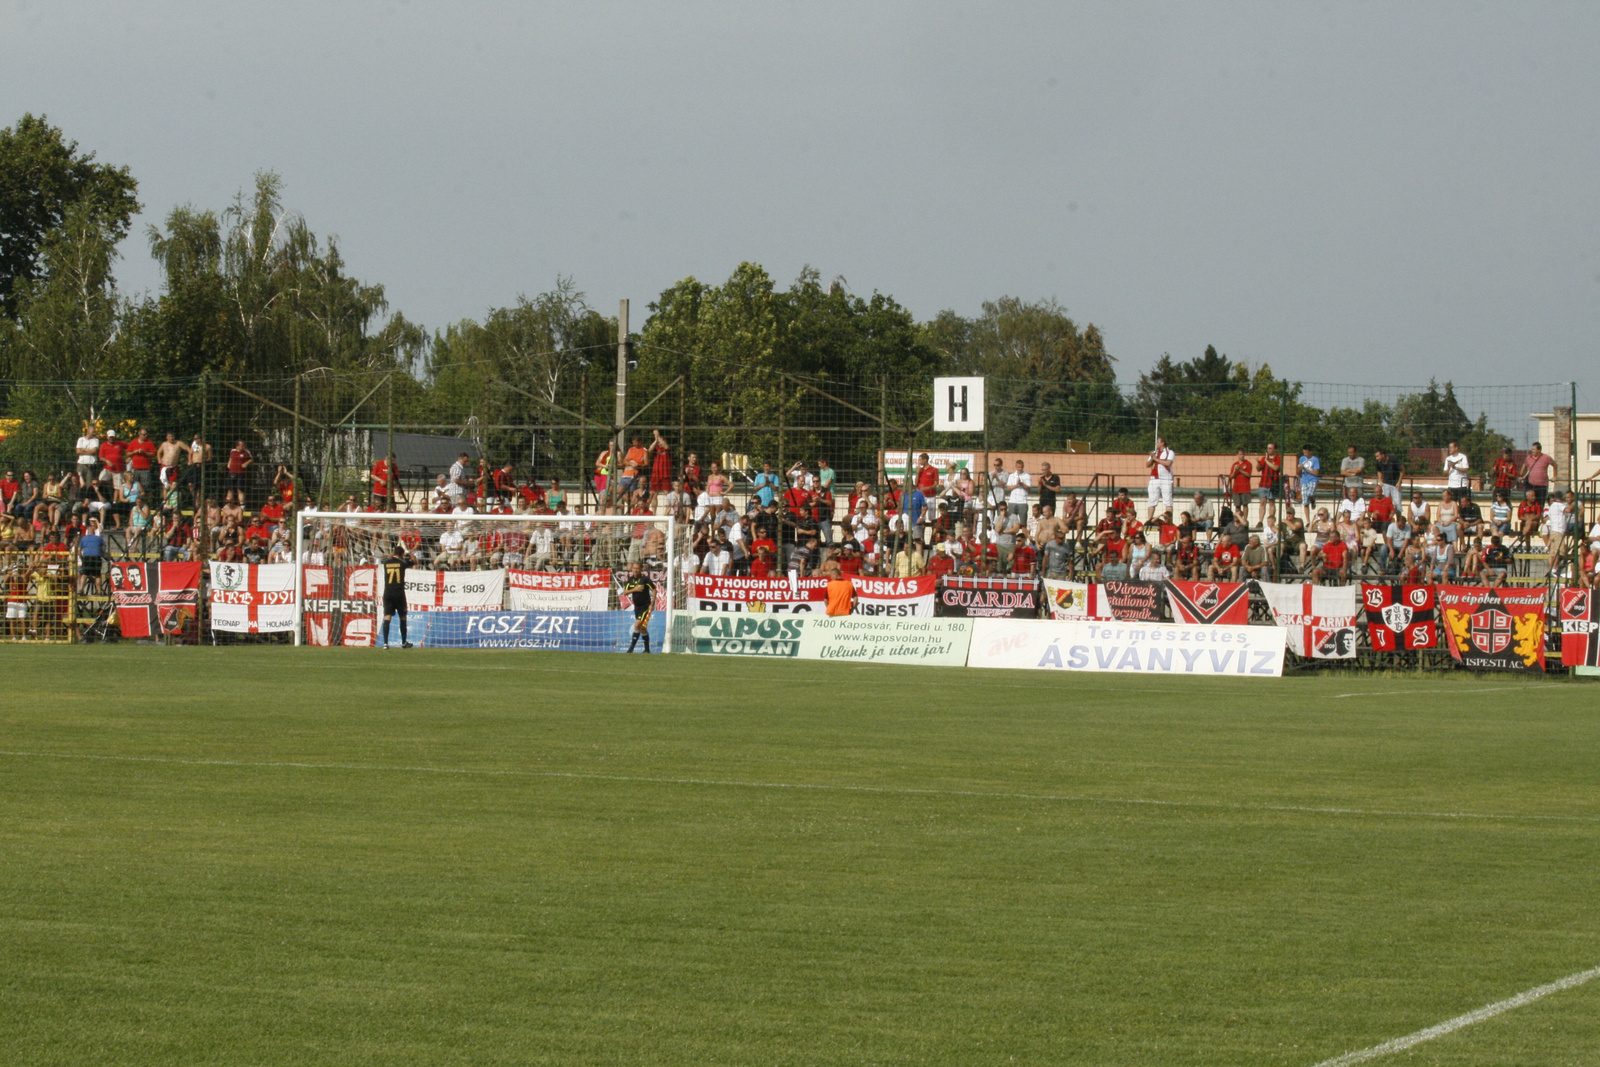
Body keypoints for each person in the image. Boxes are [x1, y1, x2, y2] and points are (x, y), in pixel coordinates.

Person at [380, 541, 415, 648]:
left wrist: (392, 554)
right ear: (401, 554)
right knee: (403, 617)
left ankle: (385, 643)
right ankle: (404, 642)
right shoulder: (403, 563)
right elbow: (414, 561)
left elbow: (384, 559)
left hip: (388, 593)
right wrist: (408, 552)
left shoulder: (386, 562)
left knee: (387, 617)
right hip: (399, 593)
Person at [621, 562, 654, 653]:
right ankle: (647, 650)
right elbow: (625, 592)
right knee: (643, 628)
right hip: (637, 607)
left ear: (641, 569)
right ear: (632, 569)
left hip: (645, 606)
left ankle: (631, 648)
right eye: (634, 568)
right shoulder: (630, 580)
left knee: (637, 624)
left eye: (637, 568)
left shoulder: (645, 579)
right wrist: (635, 589)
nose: (636, 570)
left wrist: (652, 603)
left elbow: (654, 590)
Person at [1146, 436, 1175, 520]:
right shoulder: (1154, 453)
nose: (1156, 444)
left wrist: (1156, 459)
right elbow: (1147, 465)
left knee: (1168, 501)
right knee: (1152, 500)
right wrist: (1152, 458)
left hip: (1166, 479)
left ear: (1162, 443)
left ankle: (1168, 520)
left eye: (1158, 442)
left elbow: (1168, 463)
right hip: (1154, 479)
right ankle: (1149, 519)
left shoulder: (1170, 452)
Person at [1520, 442, 1556, 507]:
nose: (1532, 451)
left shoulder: (1546, 457)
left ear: (1539, 450)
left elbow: (1554, 465)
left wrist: (1555, 476)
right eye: (1532, 449)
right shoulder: (1528, 458)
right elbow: (1524, 466)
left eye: (1534, 449)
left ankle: (1539, 516)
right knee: (1528, 502)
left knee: (1540, 504)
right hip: (1531, 484)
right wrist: (1521, 476)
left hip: (1542, 485)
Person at [1228, 448, 1252, 524]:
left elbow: (1248, 475)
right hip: (1236, 488)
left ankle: (1245, 519)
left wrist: (1240, 470)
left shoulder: (1248, 464)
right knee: (1237, 505)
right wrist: (1235, 471)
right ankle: (1237, 519)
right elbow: (1231, 477)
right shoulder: (1234, 465)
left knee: (1245, 504)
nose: (1242, 456)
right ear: (1237, 455)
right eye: (1240, 454)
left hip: (1245, 488)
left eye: (1243, 454)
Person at [226, 439, 253, 504]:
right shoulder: (233, 451)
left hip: (241, 473)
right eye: (241, 445)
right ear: (237, 446)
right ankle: (229, 504)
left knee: (240, 489)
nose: (243, 447)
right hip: (232, 472)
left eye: (243, 445)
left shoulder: (246, 452)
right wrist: (229, 464)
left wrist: (246, 463)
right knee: (230, 489)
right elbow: (231, 458)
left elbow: (251, 459)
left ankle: (242, 505)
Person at [1297, 445, 1321, 519]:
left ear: (1310, 451)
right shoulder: (1301, 459)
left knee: (1309, 493)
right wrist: (1300, 469)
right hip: (1304, 480)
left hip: (1312, 479)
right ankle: (1307, 520)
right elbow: (1298, 472)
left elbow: (1316, 473)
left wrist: (1305, 468)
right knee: (1305, 501)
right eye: (1304, 452)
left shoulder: (1315, 460)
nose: (1305, 454)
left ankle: (1312, 499)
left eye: (1306, 452)